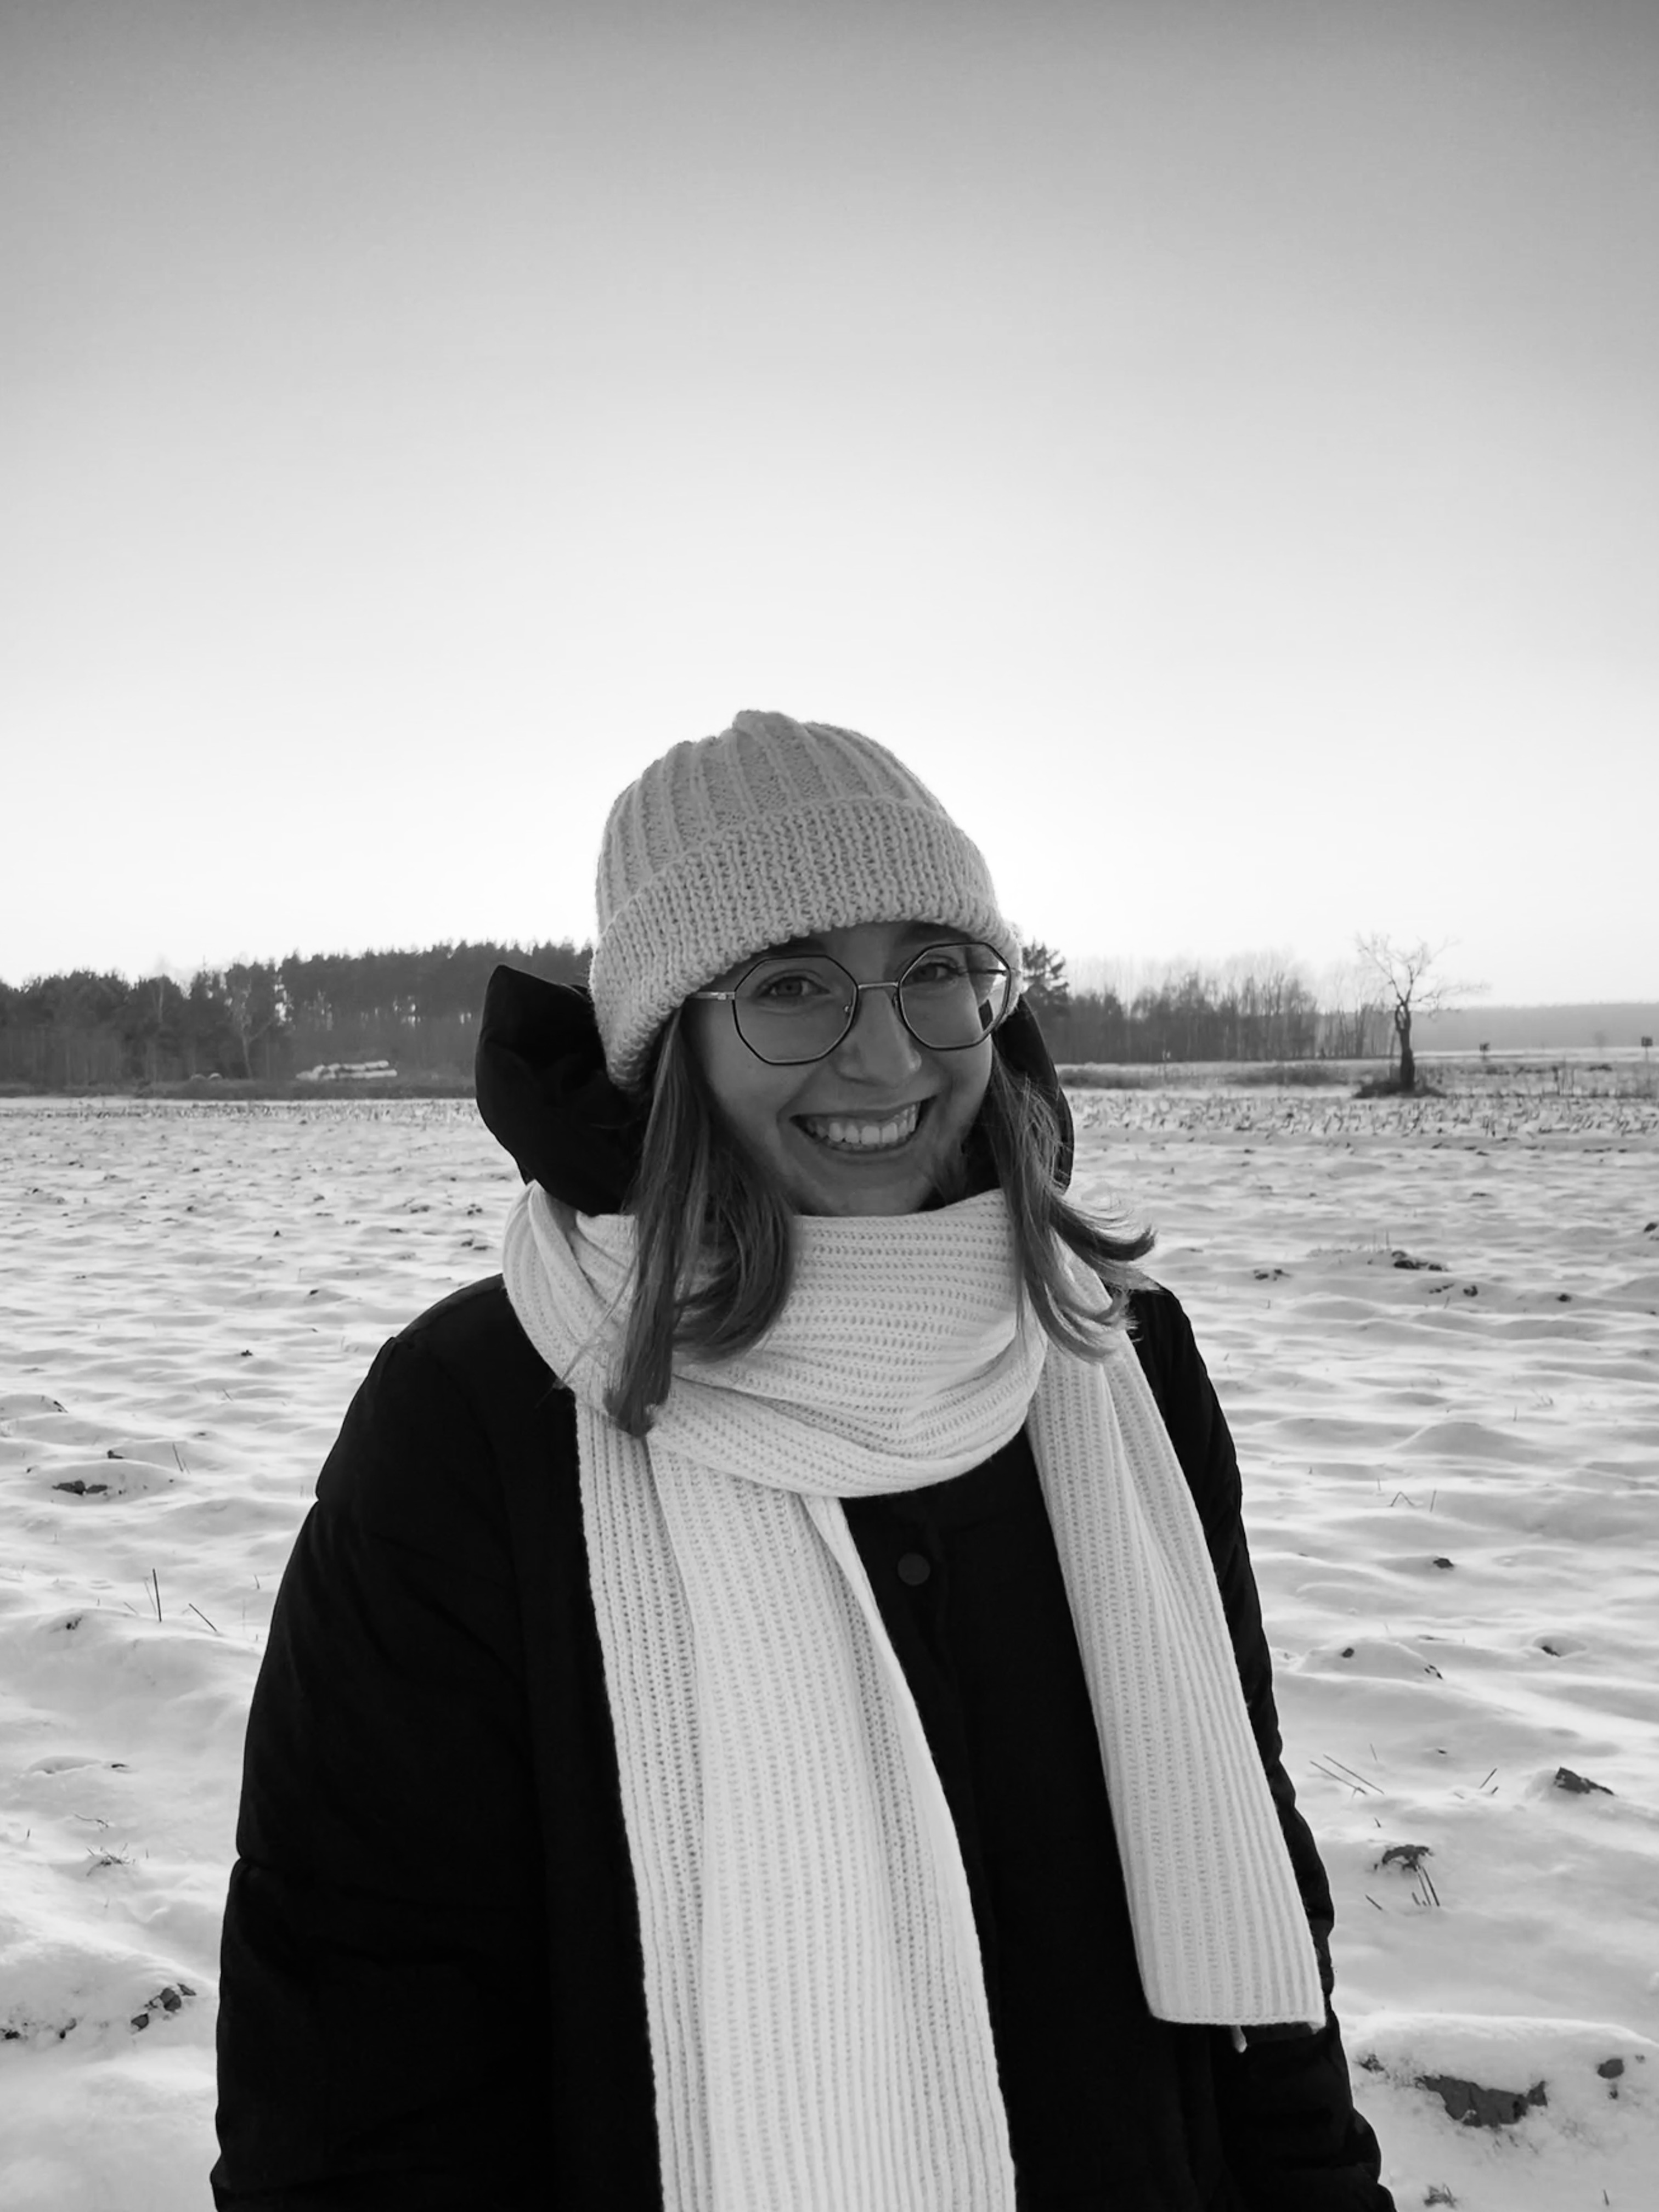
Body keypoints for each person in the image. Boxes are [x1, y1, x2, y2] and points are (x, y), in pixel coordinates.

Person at [212, 710, 1395, 2211]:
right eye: (790, 986)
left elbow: (1249, 1869)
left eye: (937, 970)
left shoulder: (1116, 1355)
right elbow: (361, 2053)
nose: (888, 1052)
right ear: (669, 1045)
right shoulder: (478, 1419)